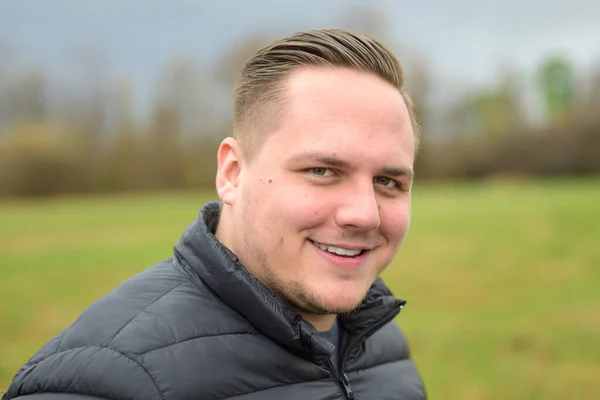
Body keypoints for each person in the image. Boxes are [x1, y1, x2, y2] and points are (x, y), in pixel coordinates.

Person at [3, 28, 426, 400]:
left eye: (388, 182)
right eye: (322, 171)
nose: (365, 214)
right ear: (232, 174)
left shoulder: (379, 345)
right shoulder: (105, 382)